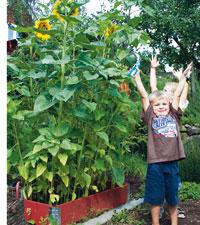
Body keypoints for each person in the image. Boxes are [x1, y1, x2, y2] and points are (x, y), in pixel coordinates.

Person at [133, 69, 187, 225]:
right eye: (157, 104)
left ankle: (174, 223)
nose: (161, 106)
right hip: (155, 164)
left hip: (172, 163)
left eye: (164, 103)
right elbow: (144, 95)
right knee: (156, 198)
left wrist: (183, 78)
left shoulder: (174, 115)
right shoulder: (150, 116)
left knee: (172, 198)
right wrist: (137, 77)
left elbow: (177, 95)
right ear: (151, 107)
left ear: (169, 105)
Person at [150, 56, 193, 219]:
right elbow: (153, 87)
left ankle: (174, 207)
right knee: (158, 183)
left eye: (168, 91)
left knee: (172, 183)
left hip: (172, 150)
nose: (165, 92)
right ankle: (160, 208)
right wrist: (153, 69)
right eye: (165, 90)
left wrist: (182, 78)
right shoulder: (159, 106)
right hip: (159, 151)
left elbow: (182, 93)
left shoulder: (177, 107)